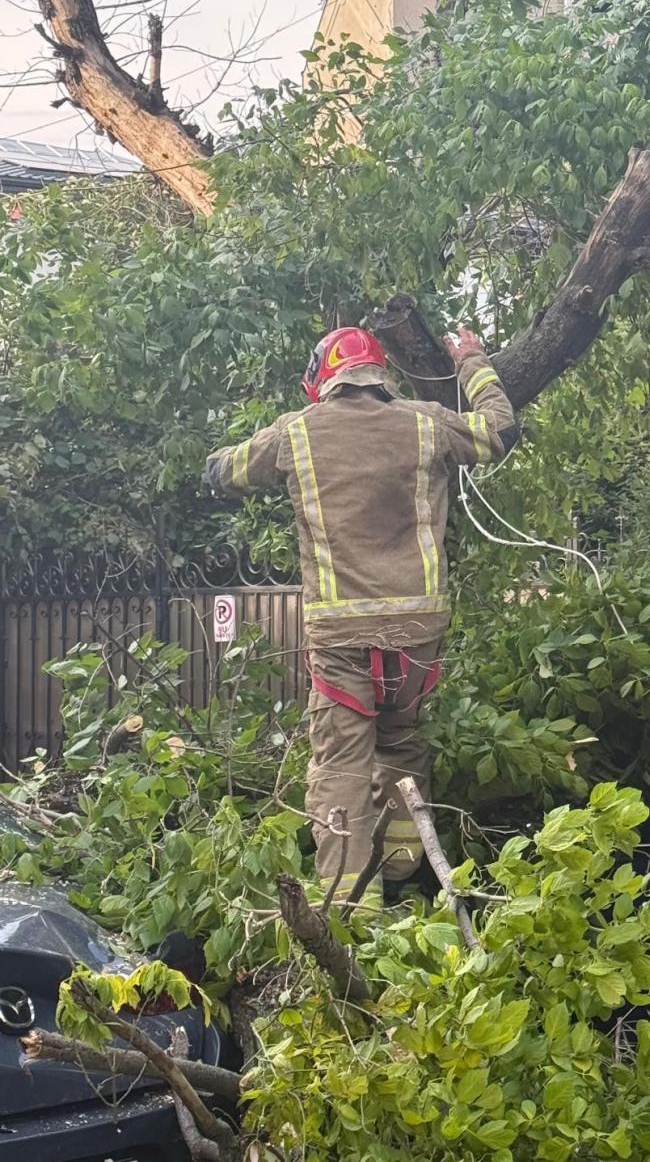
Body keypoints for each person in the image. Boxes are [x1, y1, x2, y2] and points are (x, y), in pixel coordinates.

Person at [205, 325, 517, 904]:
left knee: (341, 767)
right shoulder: (426, 422)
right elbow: (502, 431)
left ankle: (350, 912)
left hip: (340, 634)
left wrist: (219, 463)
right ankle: (400, 872)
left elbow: (227, 472)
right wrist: (472, 360)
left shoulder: (296, 433)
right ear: (380, 375)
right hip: (418, 632)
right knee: (401, 747)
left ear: (323, 379)